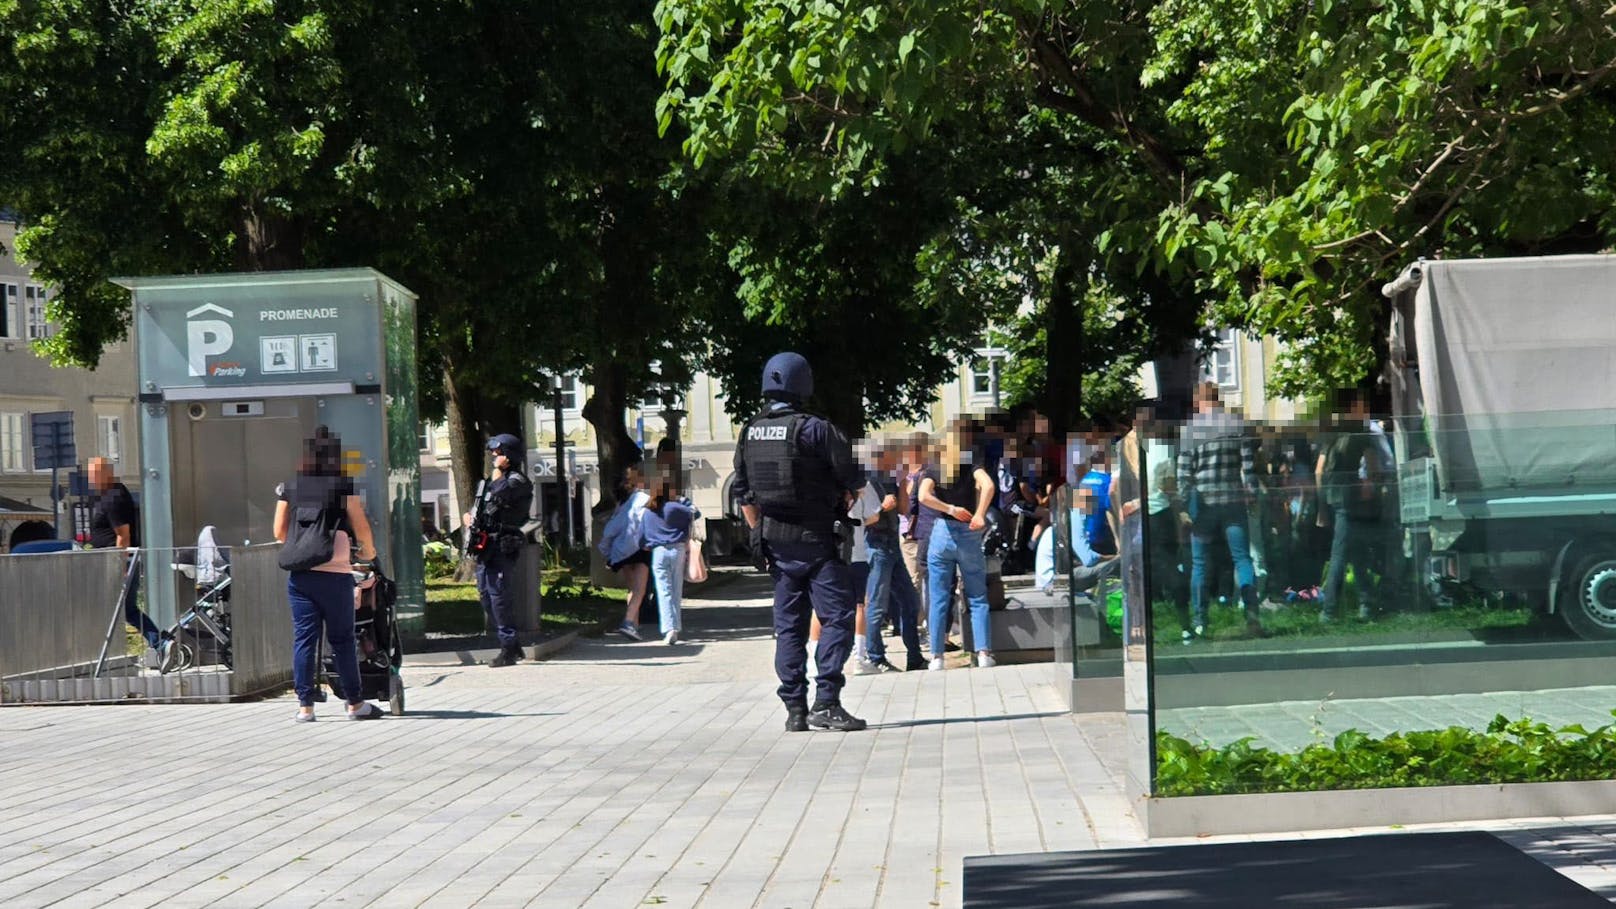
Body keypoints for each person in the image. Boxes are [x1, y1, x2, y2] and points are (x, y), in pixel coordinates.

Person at [733, 351, 867, 733]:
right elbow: (854, 481)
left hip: (775, 543)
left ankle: (795, 709)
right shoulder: (816, 428)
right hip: (818, 541)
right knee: (837, 616)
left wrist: (760, 532)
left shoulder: (751, 431)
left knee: (789, 626)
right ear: (803, 383)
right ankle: (826, 701)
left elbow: (744, 495)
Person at [273, 427, 382, 721]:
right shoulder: (342, 486)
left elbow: (279, 530)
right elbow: (360, 526)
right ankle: (355, 704)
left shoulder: (291, 487)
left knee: (304, 640)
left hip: (300, 576)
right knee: (342, 639)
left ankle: (305, 707)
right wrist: (368, 553)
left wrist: (304, 547)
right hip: (335, 576)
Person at [1176, 382, 1266, 640]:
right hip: (1233, 503)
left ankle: (1200, 621)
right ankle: (1252, 616)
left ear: (1198, 402)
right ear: (1218, 399)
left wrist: (1183, 507)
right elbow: (1248, 469)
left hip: (1203, 507)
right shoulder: (1235, 425)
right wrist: (1252, 496)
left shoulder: (1190, 430)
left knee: (1200, 564)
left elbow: (1184, 475)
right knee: (1242, 559)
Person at [88, 457, 180, 672]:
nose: (91, 479)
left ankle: (160, 643)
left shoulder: (113, 497)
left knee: (126, 610)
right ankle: (160, 643)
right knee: (126, 610)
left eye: (95, 473)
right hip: (116, 562)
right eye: (91, 474)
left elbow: (123, 536)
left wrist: (119, 567)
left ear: (107, 473)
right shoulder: (111, 495)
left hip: (119, 563)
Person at [918, 421, 997, 670]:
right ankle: (984, 653)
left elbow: (922, 496)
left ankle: (937, 657)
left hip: (942, 532)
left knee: (939, 596)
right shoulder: (970, 460)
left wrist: (949, 509)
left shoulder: (935, 466)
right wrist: (980, 514)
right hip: (969, 533)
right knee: (977, 595)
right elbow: (989, 485)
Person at [1316, 389, 1389, 622]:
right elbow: (1373, 465)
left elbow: (1319, 471)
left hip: (1332, 495)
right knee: (1341, 553)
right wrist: (1377, 486)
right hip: (1352, 496)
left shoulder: (1332, 434)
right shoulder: (1361, 432)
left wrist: (1321, 506)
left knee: (1354, 549)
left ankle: (1366, 603)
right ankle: (1329, 610)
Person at [465, 433, 533, 667]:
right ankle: (512, 644)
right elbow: (483, 503)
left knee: (499, 596)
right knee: (486, 596)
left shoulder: (517, 481)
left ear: (510, 456)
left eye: (499, 452)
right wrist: (469, 517)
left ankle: (508, 648)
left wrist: (498, 474)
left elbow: (501, 492)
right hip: (486, 545)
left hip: (503, 544)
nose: (494, 456)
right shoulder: (492, 480)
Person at [864, 440, 925, 672]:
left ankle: (915, 657)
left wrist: (901, 485)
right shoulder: (868, 481)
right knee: (877, 604)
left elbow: (902, 509)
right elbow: (861, 518)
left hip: (892, 545)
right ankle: (875, 657)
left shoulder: (890, 478)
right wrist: (881, 508)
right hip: (877, 545)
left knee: (910, 602)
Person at [642, 464, 698, 645]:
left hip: (658, 552)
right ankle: (675, 627)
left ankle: (669, 628)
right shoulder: (676, 507)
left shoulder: (648, 511)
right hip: (677, 549)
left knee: (663, 590)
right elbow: (695, 513)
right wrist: (683, 500)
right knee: (676, 590)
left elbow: (644, 536)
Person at [598, 462, 652, 640]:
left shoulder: (622, 503)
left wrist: (607, 553)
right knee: (640, 590)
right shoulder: (643, 500)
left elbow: (611, 529)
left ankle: (633, 626)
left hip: (621, 551)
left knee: (631, 588)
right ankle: (628, 622)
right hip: (639, 549)